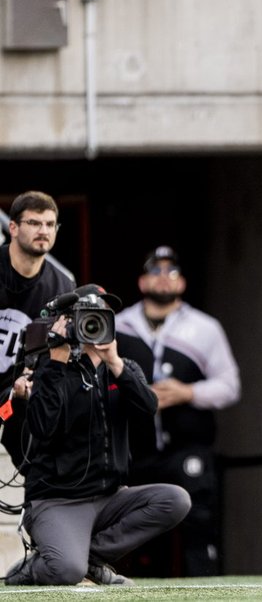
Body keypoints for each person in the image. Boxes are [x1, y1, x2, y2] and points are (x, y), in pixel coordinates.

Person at [3, 286, 191, 586]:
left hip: (109, 497)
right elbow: (42, 428)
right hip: (57, 500)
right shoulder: (50, 370)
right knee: (66, 571)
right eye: (86, 318)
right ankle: (35, 567)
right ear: (70, 323)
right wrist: (56, 360)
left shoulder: (123, 369)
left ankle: (90, 558)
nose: (94, 324)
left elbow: (148, 407)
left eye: (101, 316)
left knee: (175, 500)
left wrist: (115, 362)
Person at [114, 246, 240, 577]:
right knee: (139, 530)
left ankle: (206, 592)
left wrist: (188, 392)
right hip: (135, 449)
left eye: (172, 272)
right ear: (142, 281)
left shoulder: (205, 327)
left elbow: (230, 386)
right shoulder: (119, 325)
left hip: (187, 444)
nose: (164, 278)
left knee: (198, 521)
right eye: (156, 271)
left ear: (182, 282)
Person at [0, 192, 74, 398]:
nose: (44, 231)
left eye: (50, 225)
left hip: (18, 398)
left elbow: (54, 352)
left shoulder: (63, 286)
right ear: (13, 228)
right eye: (34, 223)